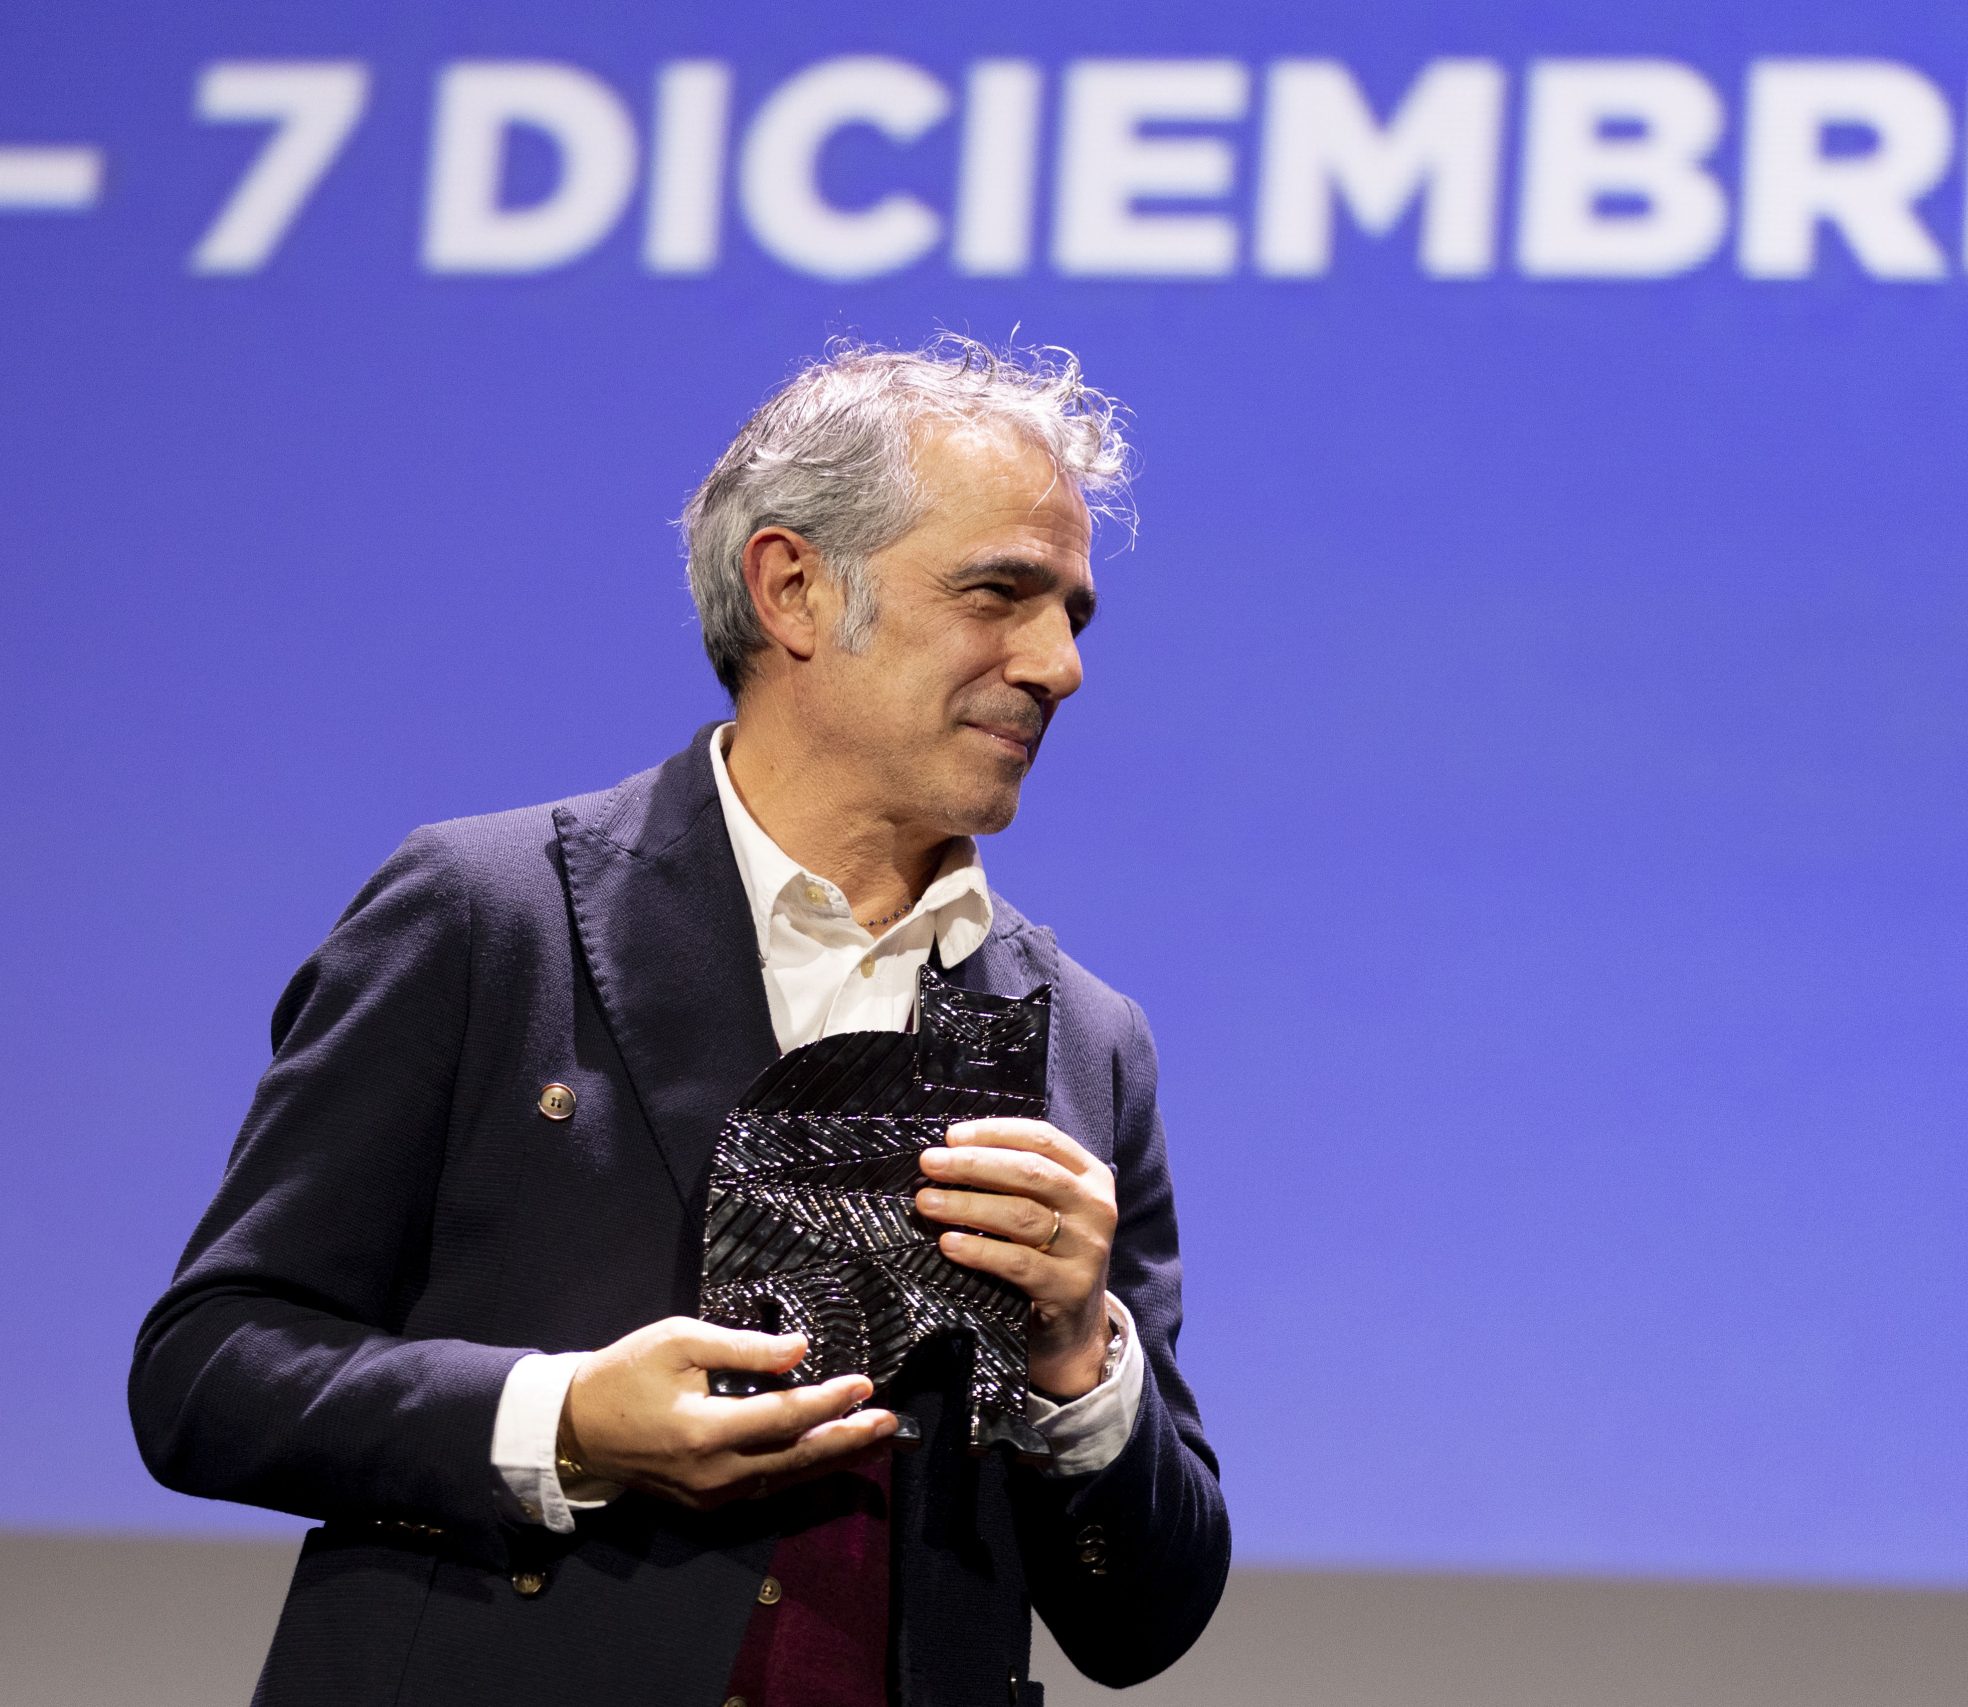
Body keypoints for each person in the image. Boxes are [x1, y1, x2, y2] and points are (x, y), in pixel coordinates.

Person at [129, 337, 1230, 1707]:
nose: (1059, 665)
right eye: (999, 592)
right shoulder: (491, 915)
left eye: (1073, 614)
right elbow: (208, 1372)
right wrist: (565, 1422)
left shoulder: (1083, 1040)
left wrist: (1078, 1363)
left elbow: (1144, 1624)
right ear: (793, 588)